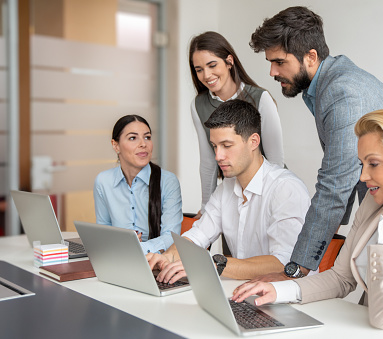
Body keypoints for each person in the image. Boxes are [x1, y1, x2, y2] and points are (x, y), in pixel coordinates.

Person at [248, 6, 383, 278]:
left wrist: (296, 268)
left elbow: (335, 184)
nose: (272, 72)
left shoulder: (342, 93)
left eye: (279, 62)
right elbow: (349, 172)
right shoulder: (327, 83)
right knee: (371, 295)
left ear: (310, 57)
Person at [232, 106, 383, 331]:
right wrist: (279, 291)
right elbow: (341, 278)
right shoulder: (374, 202)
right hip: (368, 331)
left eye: (373, 163)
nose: (363, 176)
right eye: (361, 164)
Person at [147, 100, 310, 282]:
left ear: (253, 141)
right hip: (245, 293)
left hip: (288, 298)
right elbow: (197, 236)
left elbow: (283, 264)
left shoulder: (286, 189)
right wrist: (167, 257)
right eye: (215, 146)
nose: (218, 156)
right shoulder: (227, 187)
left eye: (226, 145)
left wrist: (213, 264)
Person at [189, 31, 284, 219]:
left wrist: (268, 201)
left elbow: (276, 161)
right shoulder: (198, 105)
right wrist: (207, 206)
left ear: (229, 61)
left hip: (268, 193)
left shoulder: (260, 98)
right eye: (199, 69)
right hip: (232, 194)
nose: (206, 75)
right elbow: (208, 161)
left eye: (212, 65)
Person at [93, 115, 183, 255]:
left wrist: (137, 248)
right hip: (117, 258)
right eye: (133, 138)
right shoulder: (103, 181)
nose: (143, 144)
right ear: (116, 145)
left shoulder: (167, 181)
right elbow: (104, 230)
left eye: (147, 137)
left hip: (155, 261)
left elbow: (171, 238)